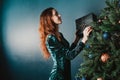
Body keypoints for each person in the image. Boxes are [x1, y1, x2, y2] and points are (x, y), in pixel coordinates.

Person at [39, 7, 92, 80]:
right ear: (49, 20)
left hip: (65, 75)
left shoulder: (59, 34)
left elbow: (67, 52)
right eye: (56, 14)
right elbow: (70, 56)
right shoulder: (50, 38)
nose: (59, 15)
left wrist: (76, 39)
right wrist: (84, 39)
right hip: (57, 76)